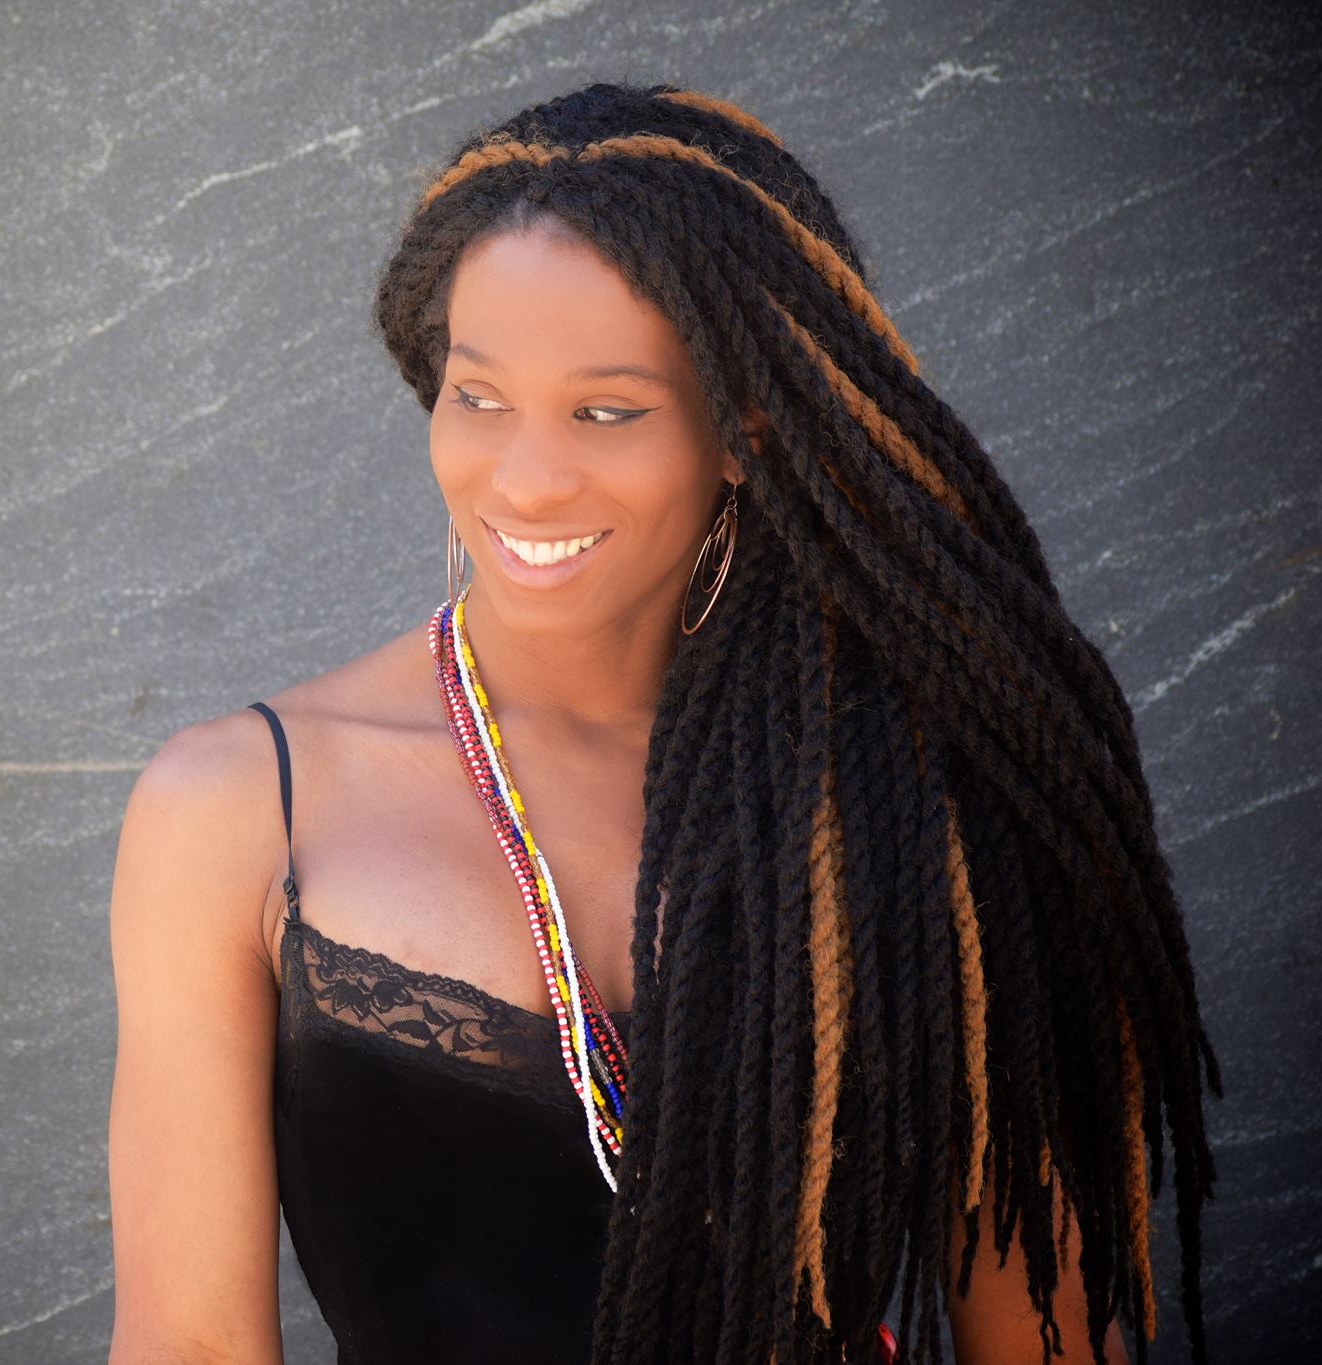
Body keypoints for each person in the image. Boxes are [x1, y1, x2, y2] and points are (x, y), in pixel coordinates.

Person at [105, 81, 1219, 1365]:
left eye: (604, 410)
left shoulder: (922, 797)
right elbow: (188, 1345)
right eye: (478, 397)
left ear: (745, 429)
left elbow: (1045, 1346)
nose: (523, 475)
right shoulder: (238, 811)